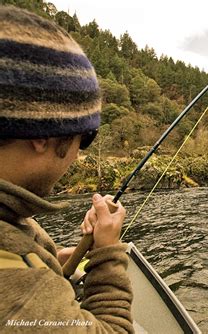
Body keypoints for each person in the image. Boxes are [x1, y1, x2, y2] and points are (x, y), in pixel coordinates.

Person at [0, 6, 133, 333]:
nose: (77, 154)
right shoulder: (21, 297)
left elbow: (23, 258)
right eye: (85, 137)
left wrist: (60, 256)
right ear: (42, 137)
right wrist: (108, 253)